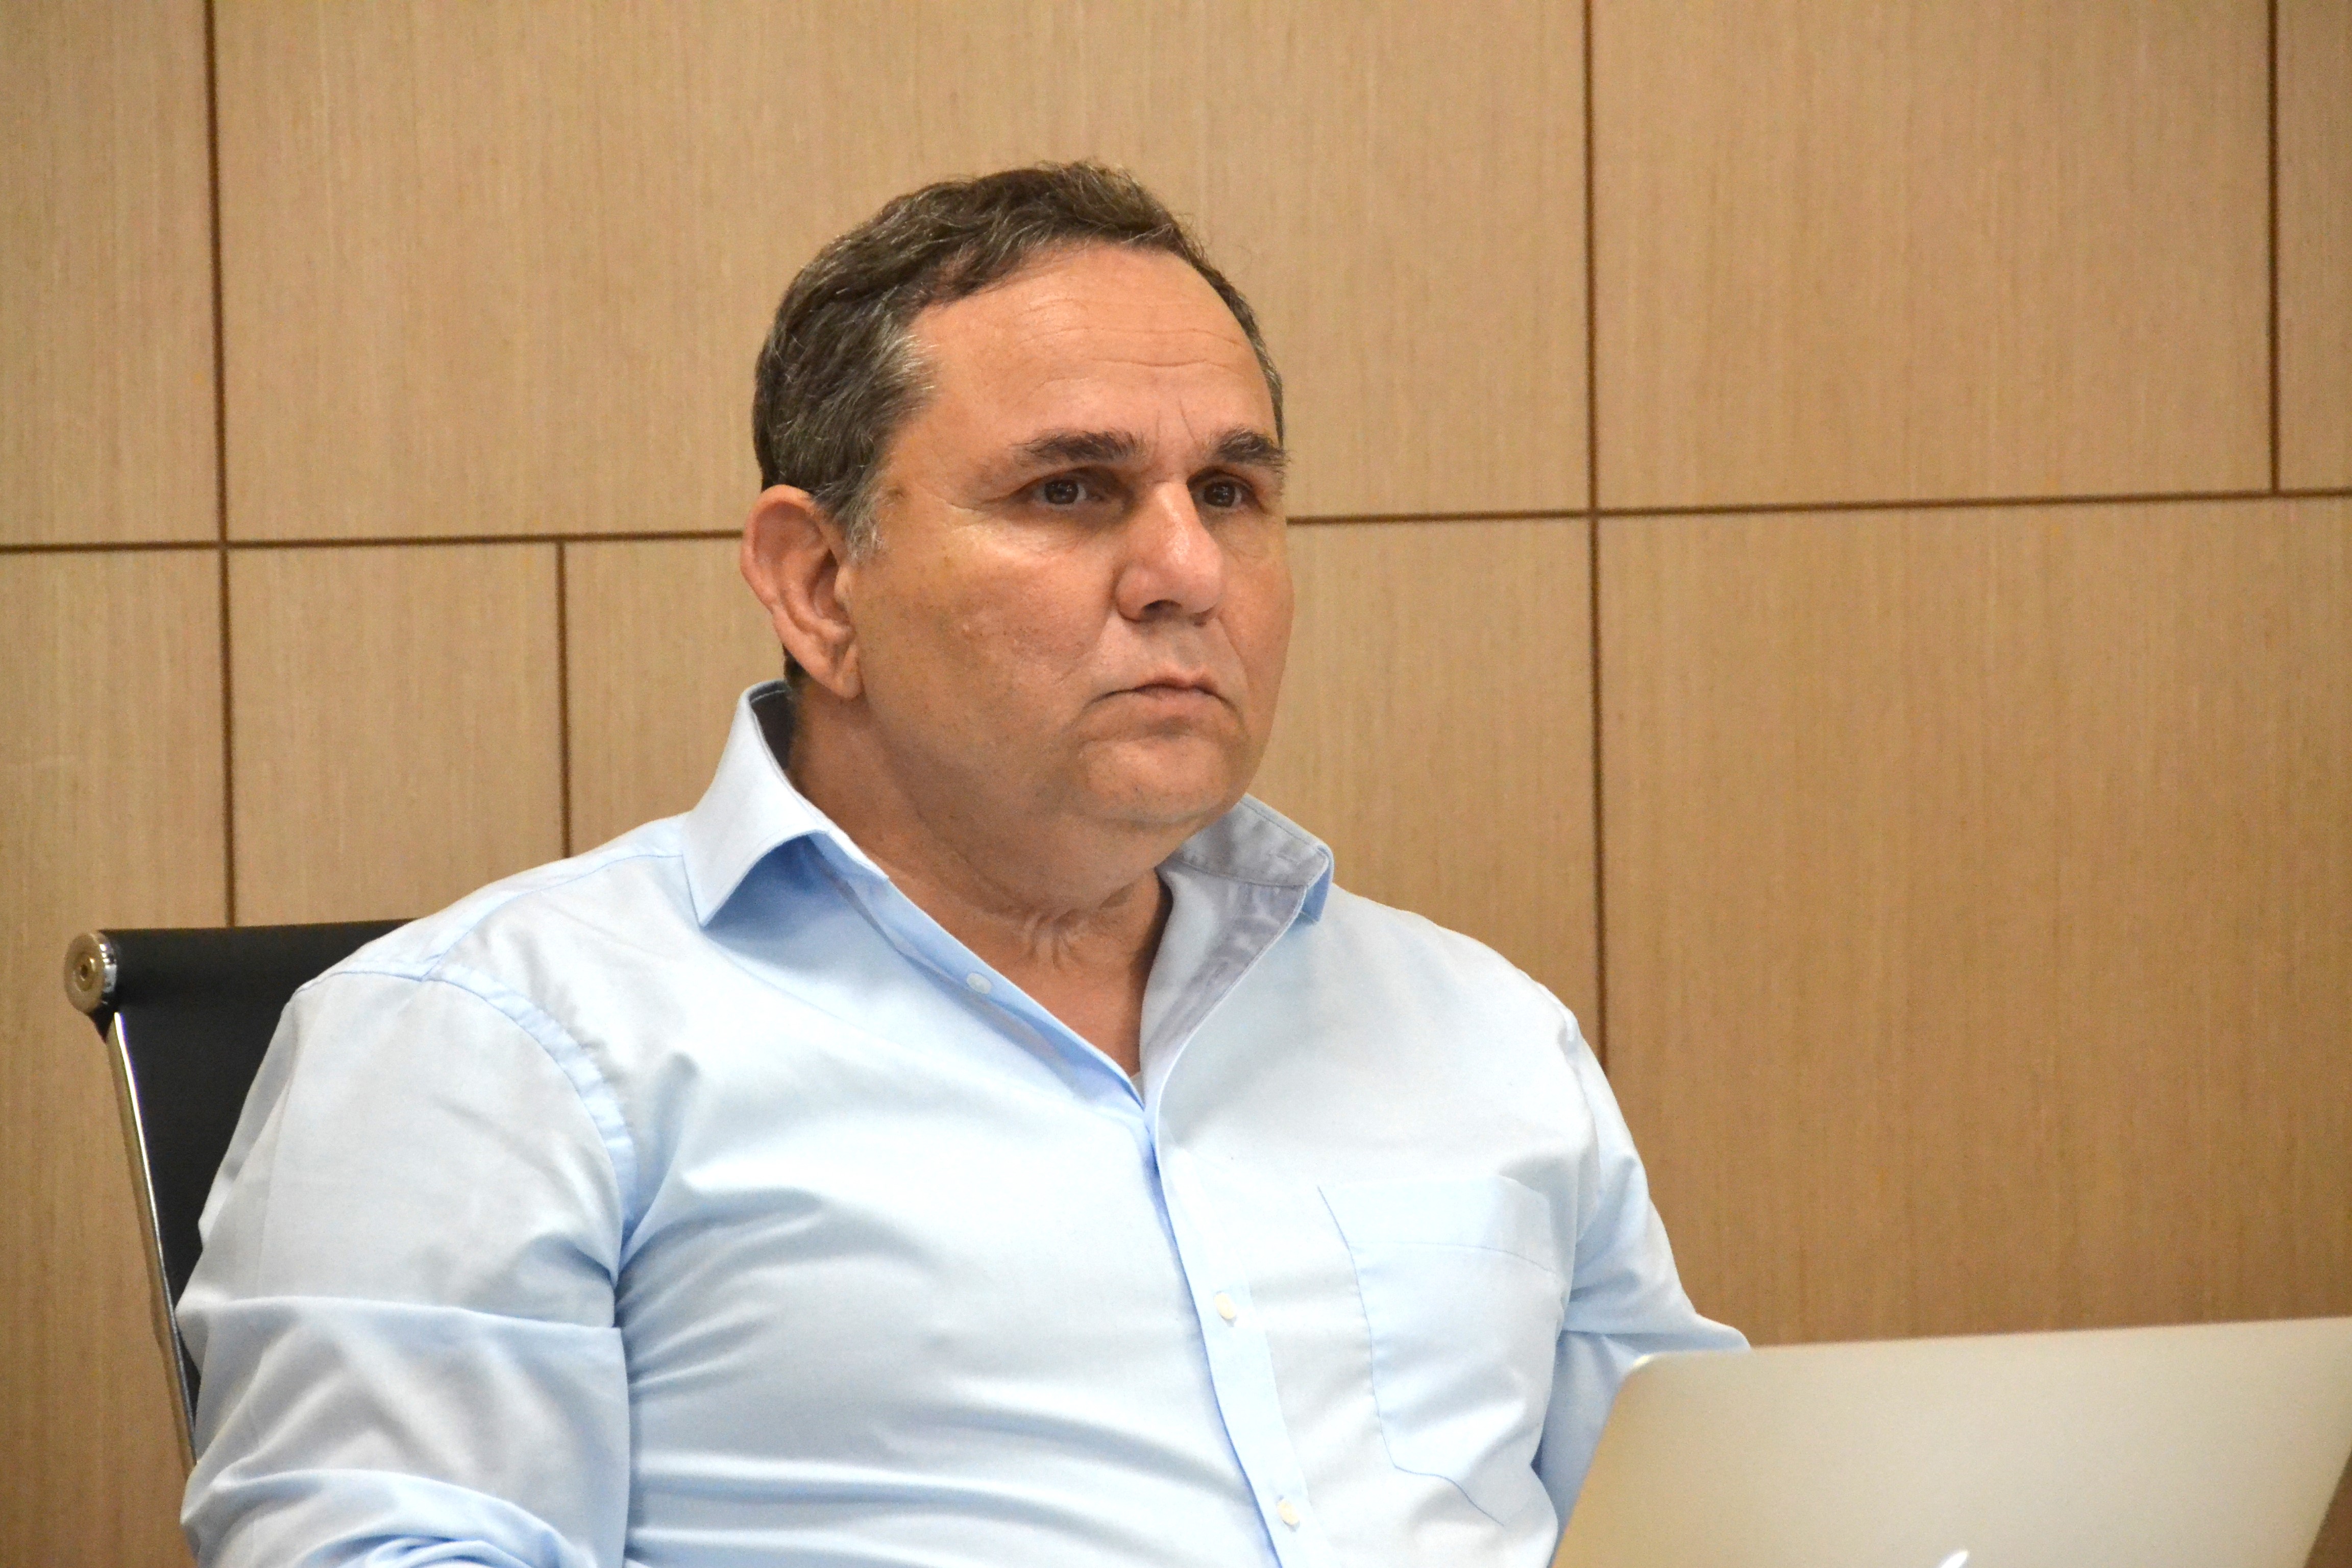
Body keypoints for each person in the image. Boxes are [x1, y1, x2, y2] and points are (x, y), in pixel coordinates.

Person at [179, 163, 1742, 1568]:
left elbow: (1720, 1526)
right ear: (820, 585)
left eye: (1231, 492)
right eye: (1071, 491)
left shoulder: (1480, 1031)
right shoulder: (486, 1044)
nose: (1187, 569)